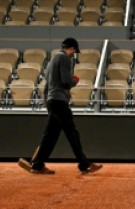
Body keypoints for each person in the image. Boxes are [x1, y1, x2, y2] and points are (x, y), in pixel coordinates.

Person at [18, 37, 102, 176]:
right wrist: (75, 80)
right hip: (59, 101)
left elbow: (46, 87)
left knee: (50, 135)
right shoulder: (64, 58)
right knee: (72, 132)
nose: (73, 54)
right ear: (72, 48)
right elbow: (65, 81)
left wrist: (49, 105)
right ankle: (84, 164)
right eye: (74, 51)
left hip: (52, 101)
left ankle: (38, 164)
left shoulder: (51, 62)